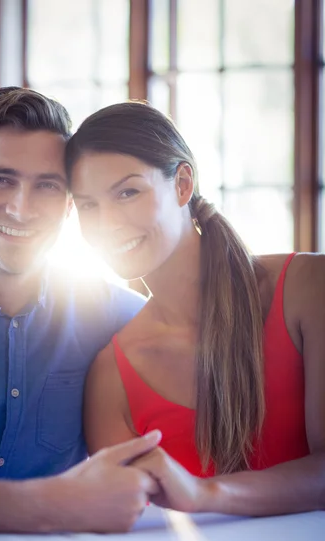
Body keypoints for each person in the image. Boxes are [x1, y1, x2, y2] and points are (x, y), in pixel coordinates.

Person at [65, 100, 325, 517]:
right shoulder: (111, 377)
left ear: (183, 184)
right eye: (88, 206)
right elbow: (132, 524)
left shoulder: (308, 287)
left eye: (128, 192)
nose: (107, 222)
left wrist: (208, 494)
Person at [0, 87, 163, 534]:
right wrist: (51, 503)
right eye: (0, 179)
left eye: (47, 186)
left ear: (69, 203)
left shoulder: (113, 314)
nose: (22, 208)